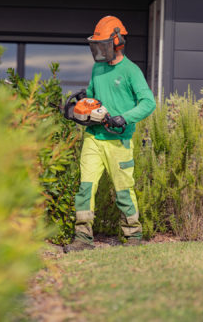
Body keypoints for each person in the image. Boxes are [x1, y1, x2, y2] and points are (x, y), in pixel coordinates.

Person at [64, 15, 156, 253]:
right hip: (94, 138)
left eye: (102, 44)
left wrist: (124, 118)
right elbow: (93, 96)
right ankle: (83, 238)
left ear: (117, 41)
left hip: (119, 140)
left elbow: (148, 103)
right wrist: (84, 105)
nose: (98, 49)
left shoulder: (131, 71)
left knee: (124, 189)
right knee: (86, 187)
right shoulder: (97, 68)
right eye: (96, 45)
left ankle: (133, 235)